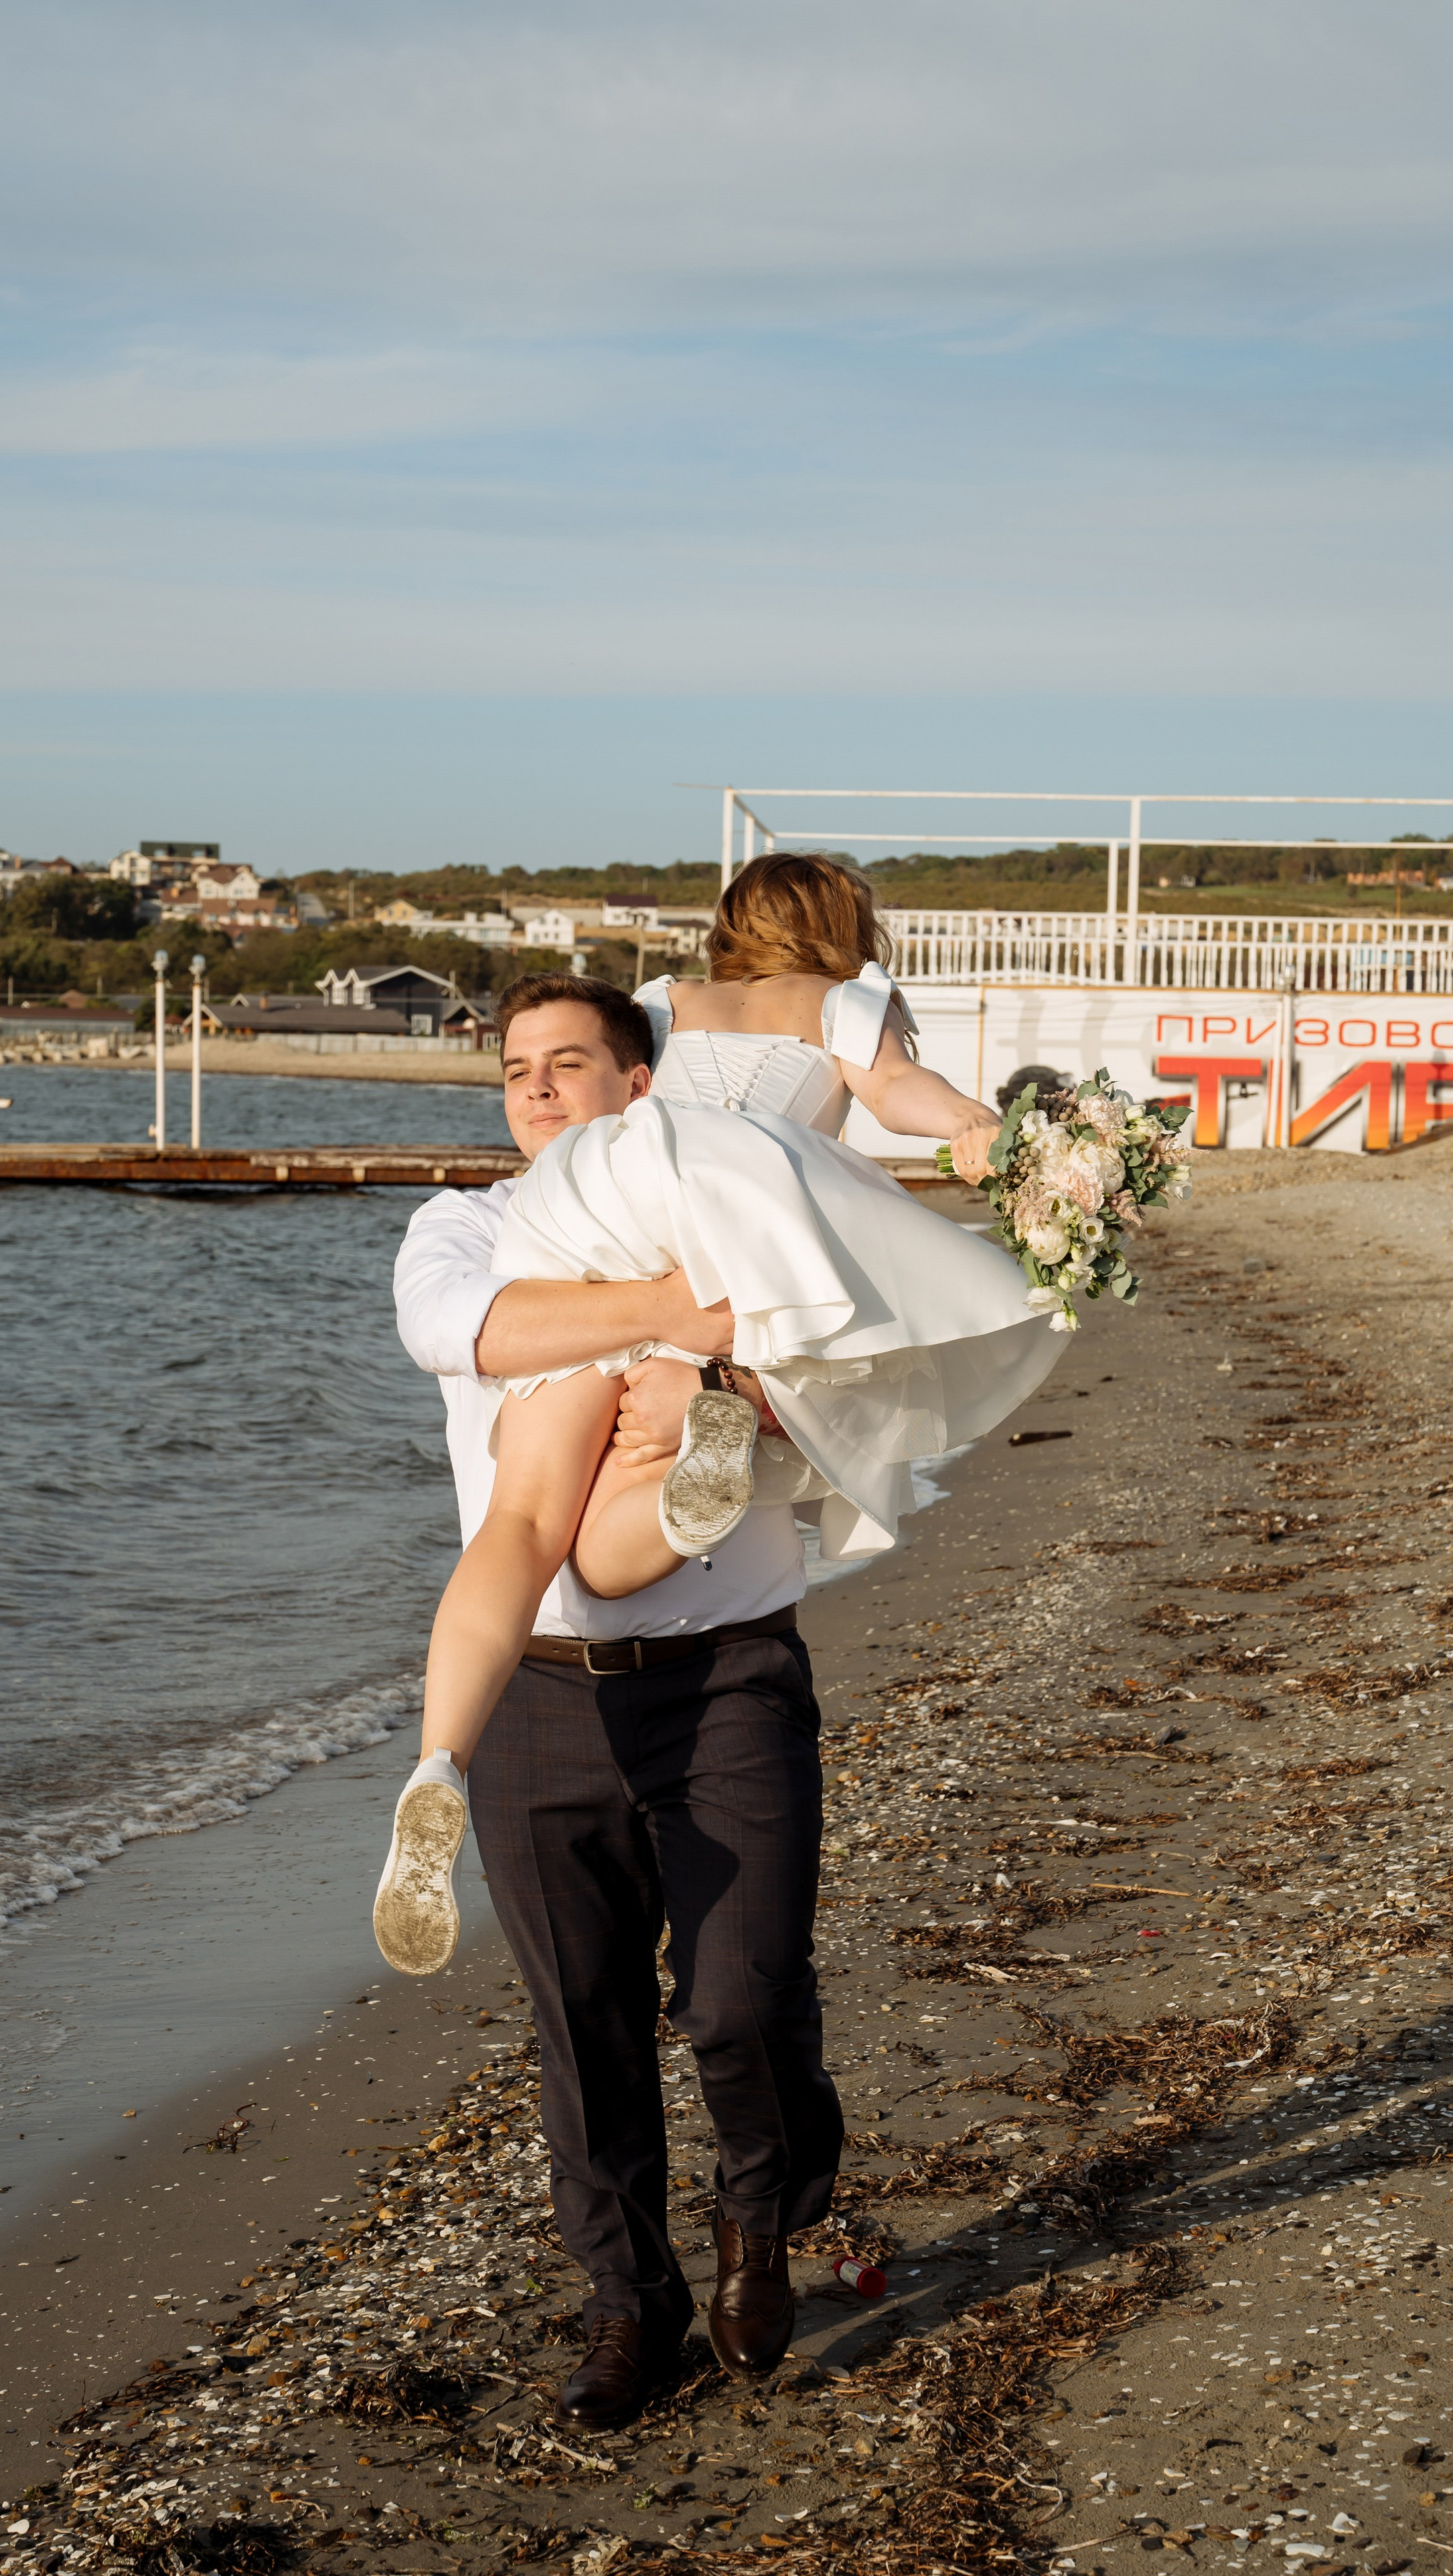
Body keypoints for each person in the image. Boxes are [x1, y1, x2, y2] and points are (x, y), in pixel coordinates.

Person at [376, 856, 1061, 1986]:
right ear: (848, 926)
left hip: (593, 1214)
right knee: (625, 1516)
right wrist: (986, 1133)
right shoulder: (852, 1000)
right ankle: (722, 1419)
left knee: (527, 1521)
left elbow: (618, 1096)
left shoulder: (660, 1005)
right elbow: (898, 1100)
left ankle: (438, 1761)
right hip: (732, 1232)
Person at [390, 971, 842, 2419]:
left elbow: (855, 1369)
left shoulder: (741, 1209)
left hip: (726, 1671)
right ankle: (622, 2312)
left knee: (739, 1997)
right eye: (514, 1067)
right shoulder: (461, 1229)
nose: (533, 1088)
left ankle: (759, 2214)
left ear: (636, 1086)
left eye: (567, 1062)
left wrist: (755, 1386)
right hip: (543, 1686)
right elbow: (463, 1333)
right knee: (580, 2024)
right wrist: (666, 1309)